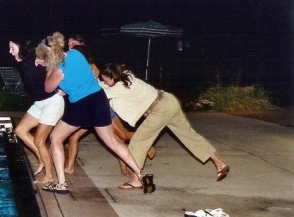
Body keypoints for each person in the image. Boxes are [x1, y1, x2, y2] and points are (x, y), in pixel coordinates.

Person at [35, 32, 144, 194]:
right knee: (113, 142)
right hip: (98, 99)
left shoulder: (58, 70)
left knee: (55, 138)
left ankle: (61, 184)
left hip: (81, 104)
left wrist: (48, 69)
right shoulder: (76, 53)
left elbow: (48, 88)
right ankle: (142, 175)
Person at [98, 63, 230, 189]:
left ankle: (137, 180)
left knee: (138, 142)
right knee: (190, 136)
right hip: (168, 100)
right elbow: (109, 85)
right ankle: (220, 163)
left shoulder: (119, 88)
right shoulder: (127, 75)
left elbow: (100, 91)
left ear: (112, 78)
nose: (105, 82)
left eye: (106, 80)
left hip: (159, 110)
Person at [63, 37, 156, 177]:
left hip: (101, 107)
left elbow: (93, 86)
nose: (69, 45)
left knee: (121, 137)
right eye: (68, 43)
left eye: (73, 43)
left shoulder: (90, 65)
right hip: (87, 108)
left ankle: (143, 146)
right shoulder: (73, 62)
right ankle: (69, 167)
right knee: (74, 137)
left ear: (82, 45)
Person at [8, 39, 65, 184]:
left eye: (12, 48)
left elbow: (63, 64)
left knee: (40, 140)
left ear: (21, 47)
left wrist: (65, 88)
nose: (10, 51)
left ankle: (50, 175)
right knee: (20, 130)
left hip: (52, 103)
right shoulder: (24, 63)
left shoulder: (37, 58)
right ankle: (42, 159)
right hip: (39, 103)